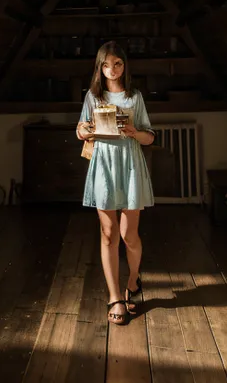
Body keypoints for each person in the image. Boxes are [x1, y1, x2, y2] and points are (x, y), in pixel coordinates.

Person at [76, 41, 155, 326]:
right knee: (108, 233)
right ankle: (115, 297)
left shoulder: (135, 97)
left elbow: (150, 137)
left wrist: (135, 132)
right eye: (106, 65)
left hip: (130, 165)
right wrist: (85, 130)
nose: (112, 70)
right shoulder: (93, 97)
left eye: (117, 64)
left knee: (128, 235)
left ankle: (132, 282)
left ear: (124, 66)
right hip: (104, 165)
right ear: (100, 67)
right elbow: (80, 131)